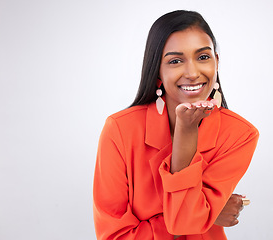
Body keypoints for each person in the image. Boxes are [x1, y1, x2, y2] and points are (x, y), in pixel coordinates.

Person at [93, 10, 259, 240]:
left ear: (217, 62)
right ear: (157, 70)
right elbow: (114, 236)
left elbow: (185, 220)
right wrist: (208, 214)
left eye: (203, 57)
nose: (192, 73)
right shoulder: (120, 130)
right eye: (175, 61)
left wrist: (185, 131)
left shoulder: (239, 135)